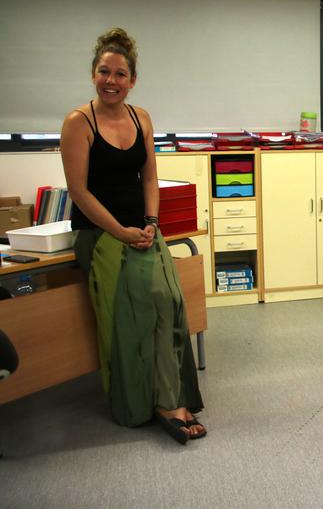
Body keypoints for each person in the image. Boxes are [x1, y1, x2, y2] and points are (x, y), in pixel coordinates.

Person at [60, 28, 205, 444]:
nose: (112, 80)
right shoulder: (78, 122)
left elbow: (151, 177)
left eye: (120, 74)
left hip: (142, 229)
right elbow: (79, 192)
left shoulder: (141, 117)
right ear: (93, 75)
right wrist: (121, 230)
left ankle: (169, 394)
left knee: (170, 300)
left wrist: (152, 223)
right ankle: (154, 403)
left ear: (132, 80)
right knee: (140, 306)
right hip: (100, 233)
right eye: (104, 71)